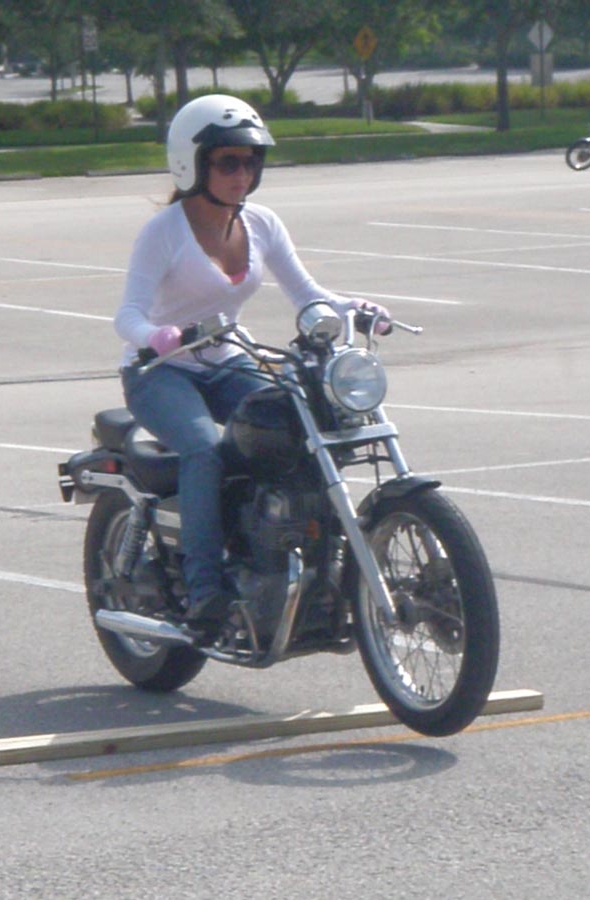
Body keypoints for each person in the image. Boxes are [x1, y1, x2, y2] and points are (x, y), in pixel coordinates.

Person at [114, 93, 389, 640]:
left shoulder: (261, 223)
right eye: (228, 162)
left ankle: (294, 560)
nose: (242, 174)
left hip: (227, 360)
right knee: (204, 449)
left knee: (298, 428)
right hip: (161, 370)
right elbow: (128, 315)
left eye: (251, 161)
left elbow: (306, 294)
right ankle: (205, 590)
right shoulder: (164, 232)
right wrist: (157, 336)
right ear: (192, 164)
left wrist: (352, 307)